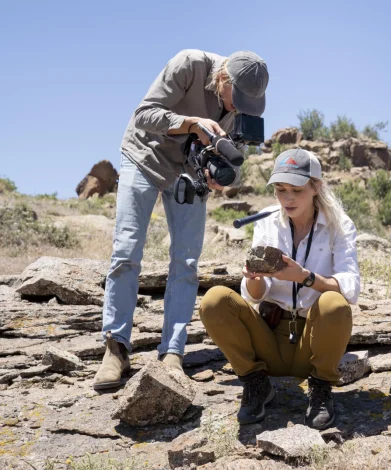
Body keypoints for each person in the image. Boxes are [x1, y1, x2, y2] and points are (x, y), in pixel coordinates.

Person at [93, 49, 269, 390]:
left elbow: (232, 148)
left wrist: (216, 173)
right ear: (223, 79)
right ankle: (116, 349)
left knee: (187, 261)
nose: (240, 107)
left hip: (188, 172)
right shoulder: (189, 64)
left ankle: (172, 352)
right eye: (239, 98)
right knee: (127, 251)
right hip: (144, 155)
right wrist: (191, 124)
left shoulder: (242, 101)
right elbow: (144, 114)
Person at [199, 149, 360, 430]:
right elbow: (254, 295)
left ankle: (321, 388)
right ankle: (256, 382)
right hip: (269, 339)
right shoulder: (265, 220)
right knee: (214, 300)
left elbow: (351, 289)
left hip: (312, 344)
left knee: (333, 303)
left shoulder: (340, 225)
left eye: (296, 190)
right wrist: (255, 279)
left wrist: (306, 277)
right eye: (280, 189)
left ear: (316, 187)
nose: (287, 199)